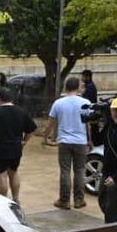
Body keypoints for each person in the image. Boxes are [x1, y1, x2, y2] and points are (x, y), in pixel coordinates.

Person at [0, 87, 37, 202]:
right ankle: (16, 198)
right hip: (16, 148)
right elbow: (31, 130)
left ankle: (3, 201)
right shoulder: (21, 112)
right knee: (14, 172)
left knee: (1, 175)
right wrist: (24, 142)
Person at [43, 77, 91, 209]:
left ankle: (64, 200)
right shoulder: (85, 102)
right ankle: (79, 200)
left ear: (66, 87)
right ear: (77, 87)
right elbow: (88, 124)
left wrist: (45, 137)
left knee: (65, 171)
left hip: (64, 141)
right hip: (81, 141)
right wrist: (89, 140)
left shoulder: (58, 103)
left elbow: (50, 123)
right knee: (80, 170)